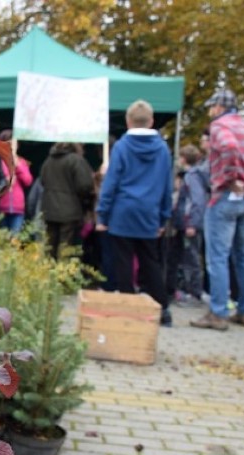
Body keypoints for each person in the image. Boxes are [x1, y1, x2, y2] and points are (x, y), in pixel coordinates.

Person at [95, 99, 174, 326]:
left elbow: (111, 183)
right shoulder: (162, 149)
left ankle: (128, 312)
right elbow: (167, 187)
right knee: (151, 263)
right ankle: (164, 311)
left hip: (122, 212)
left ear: (128, 121)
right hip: (149, 213)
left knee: (123, 263)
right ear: (151, 121)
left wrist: (103, 214)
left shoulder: (121, 146)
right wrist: (163, 218)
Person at [191, 88, 244, 331]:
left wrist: (231, 177)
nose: (210, 111)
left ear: (219, 107)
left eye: (212, 107)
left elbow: (230, 148)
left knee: (217, 256)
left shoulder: (220, 127)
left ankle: (218, 312)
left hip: (226, 196)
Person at [40, 142, 94, 258]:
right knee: (66, 247)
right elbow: (85, 186)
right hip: (70, 211)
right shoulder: (76, 160)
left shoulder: (48, 160)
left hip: (49, 210)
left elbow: (42, 181)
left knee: (50, 246)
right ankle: (63, 275)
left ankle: (48, 273)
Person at [172, 144, 208, 305]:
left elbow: (196, 200)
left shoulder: (192, 176)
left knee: (191, 259)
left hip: (189, 223)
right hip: (188, 222)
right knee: (187, 257)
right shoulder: (193, 174)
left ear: (184, 158)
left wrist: (191, 223)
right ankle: (189, 290)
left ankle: (194, 294)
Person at [0, 129, 33, 233]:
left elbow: (28, 181)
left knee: (15, 240)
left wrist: (17, 164)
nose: (12, 147)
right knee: (0, 239)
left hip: (17, 207)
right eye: (9, 143)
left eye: (14, 144)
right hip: (1, 206)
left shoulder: (21, 161)